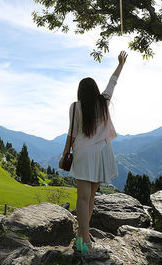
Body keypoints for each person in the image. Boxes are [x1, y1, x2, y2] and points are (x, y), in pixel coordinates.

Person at [59, 50, 127, 255]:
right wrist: (121, 64)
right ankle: (83, 237)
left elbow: (71, 134)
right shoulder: (103, 102)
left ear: (80, 92)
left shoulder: (75, 107)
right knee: (91, 198)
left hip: (83, 153)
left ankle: (84, 239)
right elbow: (112, 82)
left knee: (82, 197)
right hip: (103, 154)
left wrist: (65, 154)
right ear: (95, 90)